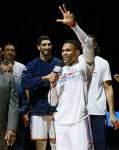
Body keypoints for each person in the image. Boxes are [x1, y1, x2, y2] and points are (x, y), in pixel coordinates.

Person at [49, 4, 95, 150]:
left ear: (77, 52)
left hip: (79, 122)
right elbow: (52, 102)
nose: (64, 53)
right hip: (61, 123)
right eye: (63, 51)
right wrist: (53, 85)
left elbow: (88, 43)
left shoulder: (84, 67)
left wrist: (74, 26)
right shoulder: (59, 71)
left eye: (68, 50)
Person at [21, 35, 62, 150]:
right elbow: (25, 83)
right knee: (41, 145)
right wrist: (44, 78)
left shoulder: (59, 63)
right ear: (38, 47)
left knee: (56, 144)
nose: (47, 47)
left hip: (57, 111)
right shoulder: (32, 65)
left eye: (49, 44)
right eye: (44, 45)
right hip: (38, 110)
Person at [79, 35, 117, 150]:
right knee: (82, 145)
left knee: (100, 145)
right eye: (83, 42)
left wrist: (111, 112)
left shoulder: (103, 63)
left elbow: (108, 88)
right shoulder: (76, 61)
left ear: (94, 45)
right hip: (79, 112)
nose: (85, 44)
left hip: (98, 112)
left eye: (88, 42)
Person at [0, 59, 29, 150]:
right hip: (1, 125)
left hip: (18, 125)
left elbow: (25, 105)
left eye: (9, 71)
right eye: (5, 71)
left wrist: (16, 112)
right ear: (0, 72)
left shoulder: (19, 87)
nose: (8, 73)